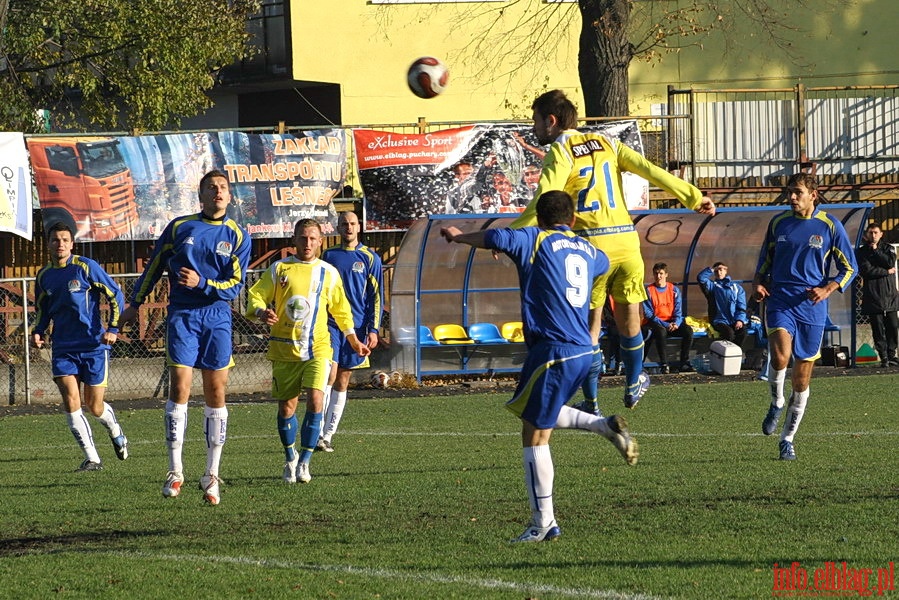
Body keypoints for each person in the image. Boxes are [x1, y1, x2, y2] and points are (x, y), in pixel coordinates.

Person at [440, 190, 638, 543]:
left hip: (553, 349)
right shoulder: (590, 251)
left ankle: (543, 523)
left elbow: (494, 236)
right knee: (537, 416)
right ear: (573, 220)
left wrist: (459, 236)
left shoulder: (532, 238)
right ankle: (602, 426)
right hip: (581, 351)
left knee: (534, 435)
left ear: (539, 217)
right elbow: (605, 263)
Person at [510, 89, 716, 411]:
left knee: (591, 326)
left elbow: (546, 198)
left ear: (551, 121)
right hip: (626, 242)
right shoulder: (607, 142)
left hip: (592, 248)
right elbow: (650, 169)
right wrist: (692, 197)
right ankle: (634, 383)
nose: (534, 128)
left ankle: (591, 401)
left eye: (536, 120)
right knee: (629, 318)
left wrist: (516, 232)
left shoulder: (561, 151)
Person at [119, 169, 251, 504]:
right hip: (183, 316)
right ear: (201, 195)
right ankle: (175, 470)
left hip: (217, 318)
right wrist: (135, 302)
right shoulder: (180, 227)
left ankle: (211, 474)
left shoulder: (237, 235)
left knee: (216, 391)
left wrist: (203, 284)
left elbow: (235, 286)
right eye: (211, 187)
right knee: (180, 385)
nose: (217, 192)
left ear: (230, 196)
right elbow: (153, 266)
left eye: (222, 188)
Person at [247, 218, 371, 484]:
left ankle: (305, 462)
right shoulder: (279, 268)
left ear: (320, 241)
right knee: (287, 408)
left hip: (318, 348)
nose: (308, 243)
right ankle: (290, 458)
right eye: (303, 238)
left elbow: (341, 309)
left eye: (313, 239)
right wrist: (260, 311)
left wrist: (353, 339)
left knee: (316, 400)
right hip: (284, 350)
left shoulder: (328, 272)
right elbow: (255, 295)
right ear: (294, 240)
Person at [753, 173, 856, 461]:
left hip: (812, 306)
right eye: (789, 192)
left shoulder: (830, 226)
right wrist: (758, 282)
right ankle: (776, 401)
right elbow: (765, 260)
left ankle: (787, 439)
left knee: (801, 379)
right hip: (781, 299)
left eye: (797, 192)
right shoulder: (778, 223)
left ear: (814, 194)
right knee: (781, 357)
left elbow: (849, 268)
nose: (792, 197)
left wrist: (828, 288)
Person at [32, 222, 129, 472]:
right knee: (71, 400)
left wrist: (113, 328)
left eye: (65, 240)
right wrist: (38, 330)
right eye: (55, 240)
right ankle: (92, 459)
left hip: (93, 345)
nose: (60, 244)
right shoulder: (44, 276)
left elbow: (115, 294)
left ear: (72, 243)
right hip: (63, 347)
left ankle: (115, 429)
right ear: (49, 244)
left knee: (94, 406)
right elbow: (43, 309)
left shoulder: (85, 267)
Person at [317, 211, 384, 452]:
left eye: (352, 223)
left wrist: (373, 330)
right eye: (344, 224)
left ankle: (327, 435)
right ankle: (316, 430)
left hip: (356, 328)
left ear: (359, 227)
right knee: (329, 374)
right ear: (337, 227)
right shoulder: (329, 255)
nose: (348, 227)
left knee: (343, 379)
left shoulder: (370, 258)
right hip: (331, 324)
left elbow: (376, 297)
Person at [855, 222, 899, 367]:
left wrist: (876, 251)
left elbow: (890, 262)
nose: (873, 235)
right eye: (870, 233)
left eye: (876, 233)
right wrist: (886, 272)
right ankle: (884, 357)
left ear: (881, 234)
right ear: (867, 234)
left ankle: (892, 355)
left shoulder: (889, 248)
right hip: (873, 296)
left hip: (890, 295)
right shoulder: (861, 252)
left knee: (893, 326)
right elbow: (866, 271)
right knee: (878, 328)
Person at [642, 262, 694, 373]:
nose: (658, 276)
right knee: (661, 332)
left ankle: (684, 362)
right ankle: (664, 364)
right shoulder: (649, 290)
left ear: (666, 275)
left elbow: (678, 310)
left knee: (688, 331)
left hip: (671, 322)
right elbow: (648, 314)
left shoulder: (674, 290)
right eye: (656, 273)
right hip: (655, 322)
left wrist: (676, 323)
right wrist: (666, 325)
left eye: (661, 273)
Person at [698, 262, 748, 347]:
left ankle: (734, 355)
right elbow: (701, 278)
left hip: (734, 319)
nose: (719, 272)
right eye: (716, 271)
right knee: (729, 334)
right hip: (718, 320)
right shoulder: (712, 286)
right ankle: (727, 355)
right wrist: (712, 269)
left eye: (721, 270)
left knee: (743, 332)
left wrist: (740, 320)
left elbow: (741, 306)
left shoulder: (736, 287)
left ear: (726, 271)